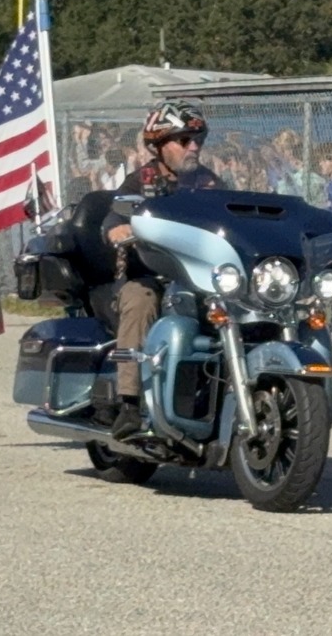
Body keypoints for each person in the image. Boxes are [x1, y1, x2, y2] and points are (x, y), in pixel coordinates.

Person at [102, 99, 221, 439]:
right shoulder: (140, 181)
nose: (194, 147)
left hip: (199, 279)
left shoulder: (211, 184)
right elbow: (114, 217)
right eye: (184, 140)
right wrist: (118, 228)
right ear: (159, 145)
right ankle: (129, 402)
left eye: (199, 139)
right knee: (141, 301)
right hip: (147, 274)